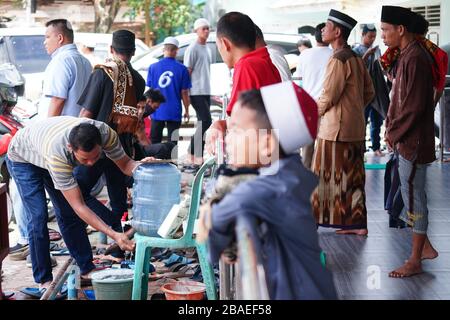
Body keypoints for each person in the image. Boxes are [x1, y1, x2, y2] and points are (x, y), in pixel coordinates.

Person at [200, 82, 337, 300]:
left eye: (235, 130)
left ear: (266, 145)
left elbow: (217, 217)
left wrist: (218, 243)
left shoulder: (274, 188)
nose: (228, 139)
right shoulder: (288, 175)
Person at [6, 117, 146, 291]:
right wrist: (114, 234)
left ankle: (86, 268)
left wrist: (144, 167)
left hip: (43, 147)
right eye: (84, 159)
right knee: (38, 216)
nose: (90, 164)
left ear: (101, 145)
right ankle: (44, 280)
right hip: (23, 157)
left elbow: (126, 164)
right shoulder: (58, 155)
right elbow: (79, 206)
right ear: (70, 148)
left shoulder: (106, 134)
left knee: (66, 213)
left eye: (95, 157)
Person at [380, 6, 438, 278]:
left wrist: (393, 133)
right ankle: (423, 246)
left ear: (400, 30)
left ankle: (415, 258)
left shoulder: (415, 58)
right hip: (406, 141)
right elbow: (398, 100)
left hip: (412, 143)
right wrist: (390, 128)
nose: (382, 36)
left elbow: (412, 108)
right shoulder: (408, 55)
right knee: (409, 195)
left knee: (414, 200)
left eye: (385, 30)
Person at [311, 9, 375, 236]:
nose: (322, 29)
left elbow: (328, 95)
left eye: (326, 26)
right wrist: (354, 109)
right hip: (354, 126)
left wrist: (311, 114)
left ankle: (316, 222)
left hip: (335, 129)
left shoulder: (338, 59)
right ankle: (357, 225)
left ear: (337, 32)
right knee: (354, 177)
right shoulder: (356, 56)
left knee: (326, 176)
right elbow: (370, 92)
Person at [77, 29, 146, 232]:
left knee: (78, 193)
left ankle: (114, 227)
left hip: (95, 145)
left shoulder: (102, 73)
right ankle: (119, 246)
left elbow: (86, 113)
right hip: (121, 148)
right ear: (133, 52)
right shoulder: (138, 80)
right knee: (117, 198)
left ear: (111, 49)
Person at [205, 11, 281, 155]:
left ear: (225, 44)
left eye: (217, 45)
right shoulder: (264, 61)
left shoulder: (247, 65)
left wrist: (219, 125)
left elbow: (240, 121)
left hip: (257, 154)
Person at [293, 23, 332, 169]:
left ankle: (306, 181)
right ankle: (324, 179)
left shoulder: (305, 55)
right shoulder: (334, 54)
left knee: (307, 148)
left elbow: (299, 78)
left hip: (309, 105)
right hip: (328, 106)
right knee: (326, 146)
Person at [147, 36, 191, 151]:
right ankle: (172, 165)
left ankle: (153, 163)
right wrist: (187, 110)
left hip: (156, 110)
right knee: (173, 141)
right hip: (174, 110)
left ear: (163, 50)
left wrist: (148, 109)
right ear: (176, 51)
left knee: (154, 140)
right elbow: (184, 92)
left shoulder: (153, 67)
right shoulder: (182, 69)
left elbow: (150, 91)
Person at [41, 19, 92, 118]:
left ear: (60, 38)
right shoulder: (86, 62)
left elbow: (57, 99)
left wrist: (47, 130)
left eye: (47, 37)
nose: (44, 42)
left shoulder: (61, 60)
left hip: (61, 129)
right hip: (78, 128)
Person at [184, 18, 213, 170]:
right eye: (203, 29)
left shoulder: (208, 48)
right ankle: (192, 155)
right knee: (206, 121)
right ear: (196, 31)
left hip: (206, 90)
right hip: (196, 92)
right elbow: (187, 71)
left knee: (204, 124)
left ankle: (197, 160)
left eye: (208, 28)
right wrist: (186, 93)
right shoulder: (192, 48)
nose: (206, 31)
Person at [353, 24, 385, 157]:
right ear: (363, 35)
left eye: (374, 37)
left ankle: (376, 147)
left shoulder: (377, 50)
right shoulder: (356, 50)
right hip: (362, 92)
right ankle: (360, 148)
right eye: (369, 36)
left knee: (376, 121)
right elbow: (356, 69)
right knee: (361, 122)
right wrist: (367, 55)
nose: (372, 39)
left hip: (376, 91)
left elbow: (381, 67)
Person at [134, 88, 176, 160]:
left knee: (171, 145)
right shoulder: (136, 117)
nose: (154, 111)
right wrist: (153, 150)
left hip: (142, 147)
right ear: (148, 101)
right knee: (162, 149)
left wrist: (153, 147)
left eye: (143, 108)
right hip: (137, 150)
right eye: (155, 107)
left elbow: (144, 138)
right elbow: (141, 139)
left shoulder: (141, 117)